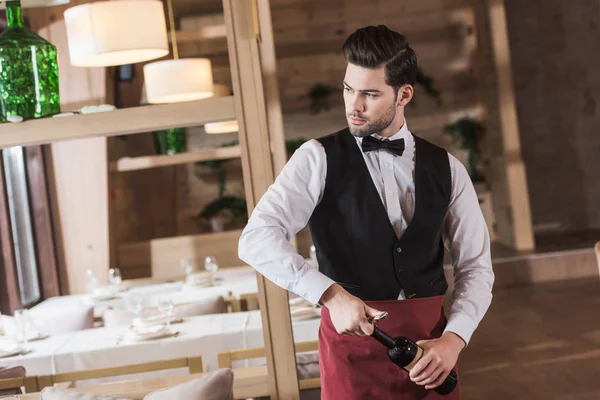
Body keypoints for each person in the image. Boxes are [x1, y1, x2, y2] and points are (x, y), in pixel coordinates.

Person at [238, 25, 494, 400]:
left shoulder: (448, 168)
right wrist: (329, 295)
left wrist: (455, 339)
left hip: (431, 355)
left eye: (369, 94)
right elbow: (255, 238)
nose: (353, 105)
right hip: (351, 355)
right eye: (348, 89)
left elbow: (476, 267)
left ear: (404, 94)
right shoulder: (316, 159)